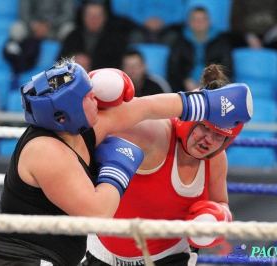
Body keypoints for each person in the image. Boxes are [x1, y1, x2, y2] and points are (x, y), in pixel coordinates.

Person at [0, 58, 252, 265]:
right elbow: (98, 213)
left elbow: (145, 108)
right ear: (67, 112)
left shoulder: (83, 131)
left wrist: (201, 103)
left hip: (57, 258)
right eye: (88, 96)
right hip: (21, 259)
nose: (98, 98)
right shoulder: (47, 151)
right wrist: (116, 168)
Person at [84, 64, 244, 266]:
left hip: (170, 257)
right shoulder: (156, 135)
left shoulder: (216, 161)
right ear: (189, 118)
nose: (208, 139)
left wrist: (218, 217)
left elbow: (220, 201)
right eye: (204, 127)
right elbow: (109, 119)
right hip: (104, 254)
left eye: (219, 136)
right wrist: (103, 93)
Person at [167, 7, 233, 93]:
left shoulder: (221, 42)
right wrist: (185, 80)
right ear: (189, 22)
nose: (198, 23)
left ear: (209, 21)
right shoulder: (179, 42)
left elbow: (227, 68)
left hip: (214, 89)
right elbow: (173, 67)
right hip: (184, 89)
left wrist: (210, 83)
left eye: (202, 20)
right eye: (195, 20)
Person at [59, 2, 129, 70]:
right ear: (83, 17)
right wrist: (73, 61)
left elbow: (119, 66)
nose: (94, 19)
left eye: (98, 16)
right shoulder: (73, 36)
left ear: (105, 18)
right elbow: (59, 64)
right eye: (90, 15)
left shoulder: (116, 39)